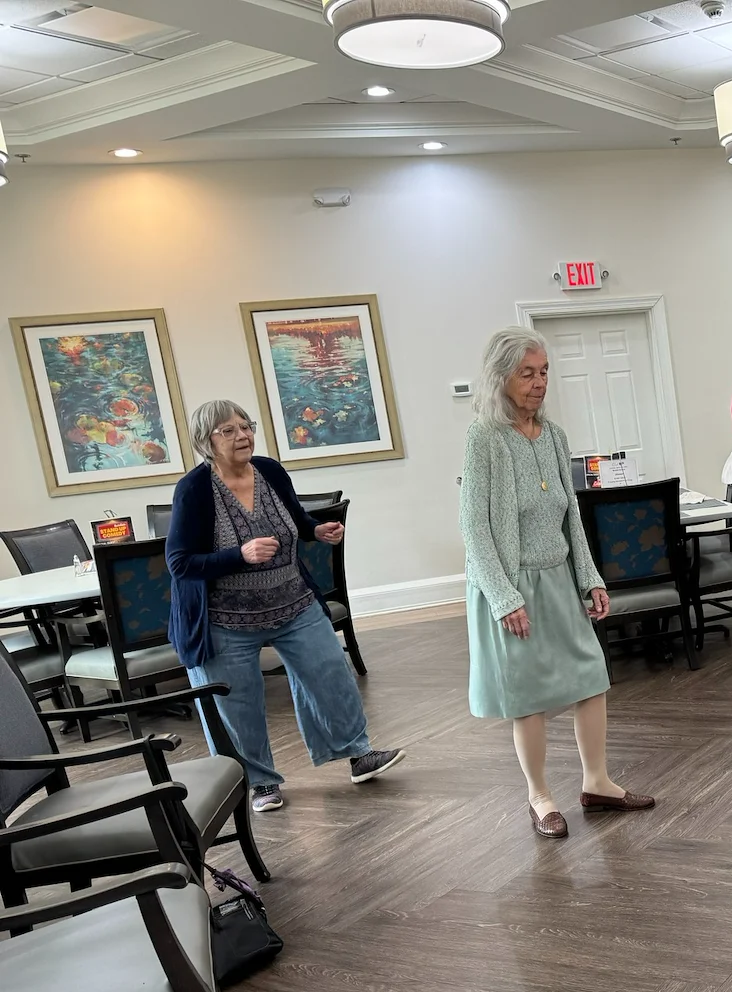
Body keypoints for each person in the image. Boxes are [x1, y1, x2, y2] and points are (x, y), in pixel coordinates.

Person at [460, 327, 654, 840]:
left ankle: (598, 783)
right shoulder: (484, 437)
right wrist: (503, 596)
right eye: (528, 373)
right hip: (512, 584)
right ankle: (539, 796)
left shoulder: (555, 435)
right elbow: (473, 527)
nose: (539, 382)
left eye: (544, 372)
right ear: (501, 378)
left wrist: (589, 577)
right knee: (530, 694)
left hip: (559, 577)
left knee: (591, 678)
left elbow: (572, 517)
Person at [167, 400, 405, 813]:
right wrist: (240, 555)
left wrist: (317, 530)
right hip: (226, 620)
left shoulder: (270, 471)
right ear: (207, 441)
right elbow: (179, 563)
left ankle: (358, 754)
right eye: (229, 430)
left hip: (293, 603)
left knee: (331, 672)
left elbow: (295, 518)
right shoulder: (193, 489)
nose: (242, 435)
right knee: (238, 704)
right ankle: (259, 783)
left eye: (246, 426)